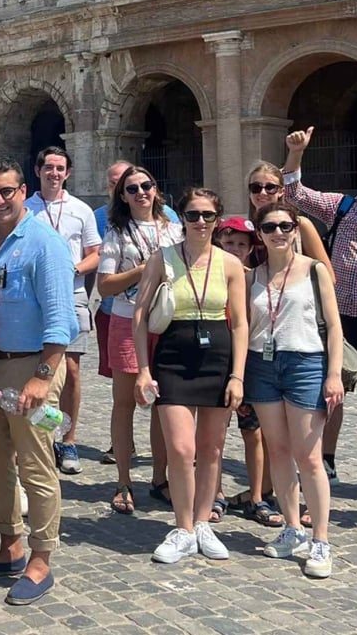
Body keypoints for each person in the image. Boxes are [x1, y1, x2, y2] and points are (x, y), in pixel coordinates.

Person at [0, 157, 77, 606]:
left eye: (7, 191)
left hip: (31, 365)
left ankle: (41, 559)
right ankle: (9, 544)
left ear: (23, 191)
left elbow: (61, 319)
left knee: (35, 464)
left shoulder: (44, 243)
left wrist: (42, 377)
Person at [283, 127, 357, 494]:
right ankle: (326, 460)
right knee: (331, 392)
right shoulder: (341, 206)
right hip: (337, 318)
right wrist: (296, 153)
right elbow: (293, 193)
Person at [134, 189, 248, 564]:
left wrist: (237, 376)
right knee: (181, 449)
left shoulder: (229, 263)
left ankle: (202, 523)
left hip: (217, 357)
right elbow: (139, 316)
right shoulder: (162, 258)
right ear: (181, 218)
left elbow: (241, 323)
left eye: (208, 215)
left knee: (212, 448)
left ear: (217, 219)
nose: (201, 222)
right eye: (193, 215)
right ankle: (182, 528)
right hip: (173, 357)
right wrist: (143, 369)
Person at [245, 201, 342, 578]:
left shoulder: (315, 270)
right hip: (262, 364)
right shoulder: (253, 275)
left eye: (285, 226)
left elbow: (334, 326)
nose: (278, 233)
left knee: (309, 456)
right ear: (260, 233)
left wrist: (333, 374)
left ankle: (321, 539)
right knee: (279, 451)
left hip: (306, 363)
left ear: (296, 230)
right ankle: (292, 528)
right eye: (270, 227)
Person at [97, 165, 182, 515]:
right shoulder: (116, 232)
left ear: (156, 189)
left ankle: (160, 478)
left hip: (168, 322)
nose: (141, 193)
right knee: (125, 402)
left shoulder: (175, 229)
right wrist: (144, 269)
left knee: (164, 404)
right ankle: (123, 480)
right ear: (123, 196)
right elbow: (105, 285)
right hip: (126, 319)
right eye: (132, 189)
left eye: (146, 185)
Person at [25, 146, 101, 475]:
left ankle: (68, 439)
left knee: (70, 371)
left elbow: (95, 253)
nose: (54, 173)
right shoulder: (25, 209)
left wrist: (71, 270)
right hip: (33, 299)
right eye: (49, 167)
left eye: (60, 168)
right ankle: (41, 437)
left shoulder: (81, 210)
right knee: (36, 369)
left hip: (72, 295)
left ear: (68, 173)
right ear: (38, 171)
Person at [213, 217, 273, 526]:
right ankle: (215, 492)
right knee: (215, 433)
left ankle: (257, 496)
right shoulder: (210, 275)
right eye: (229, 242)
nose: (234, 248)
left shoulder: (256, 279)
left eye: (241, 244)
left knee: (254, 432)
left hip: (249, 364)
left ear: (250, 249)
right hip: (217, 362)